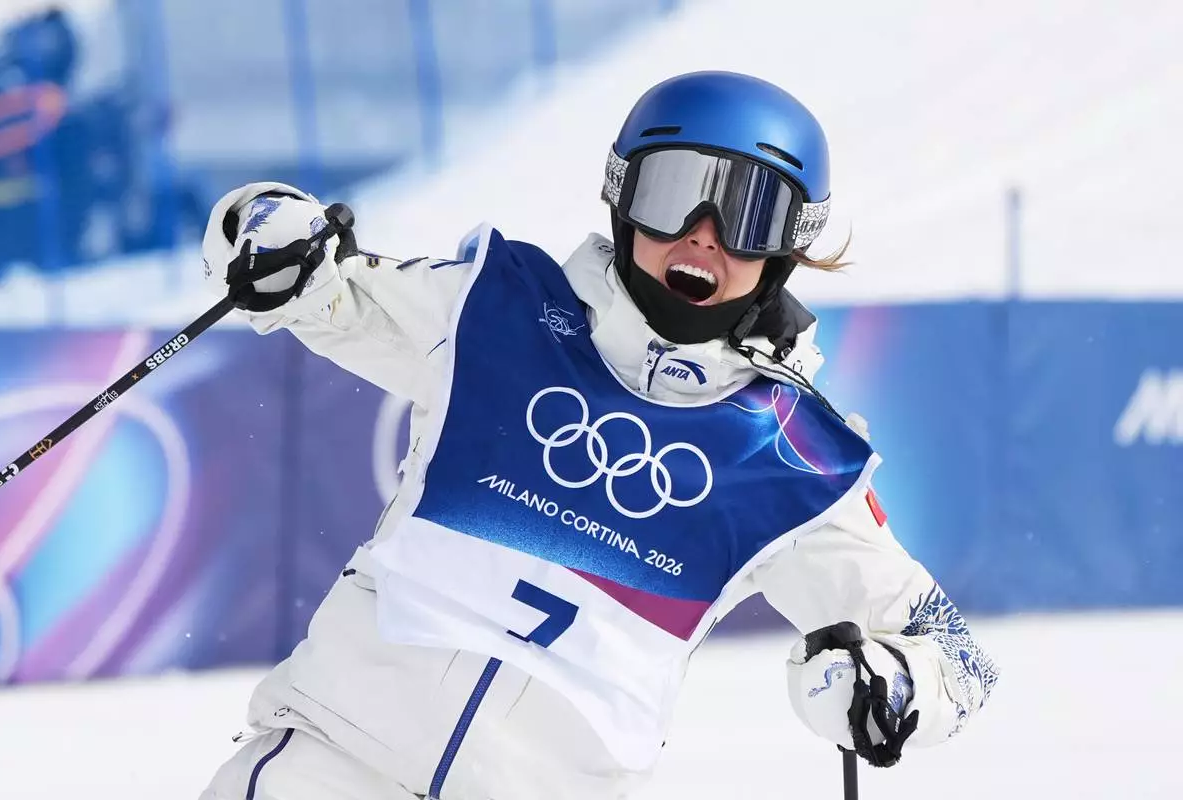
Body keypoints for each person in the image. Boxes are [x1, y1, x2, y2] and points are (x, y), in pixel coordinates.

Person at [198, 71, 998, 800]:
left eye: (749, 212)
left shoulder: (790, 455)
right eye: (675, 193)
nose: (703, 234)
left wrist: (894, 687)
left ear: (788, 246)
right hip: (332, 765)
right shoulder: (490, 314)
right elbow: (315, 285)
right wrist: (268, 229)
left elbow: (959, 662)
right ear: (622, 196)